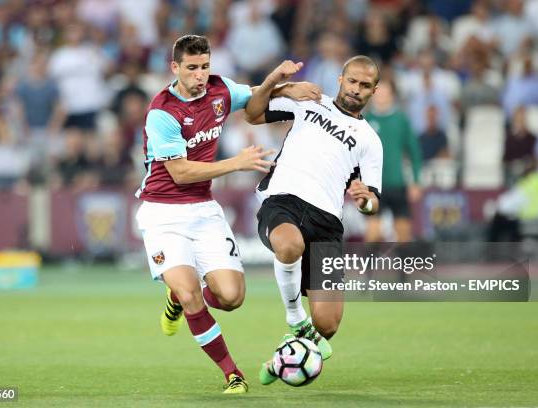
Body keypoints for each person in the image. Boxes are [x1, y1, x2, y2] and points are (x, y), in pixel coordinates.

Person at [134, 34, 320, 394]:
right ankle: (232, 373)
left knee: (232, 298)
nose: (200, 75)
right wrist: (236, 163)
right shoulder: (162, 112)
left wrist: (283, 86)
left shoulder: (219, 90)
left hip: (204, 212)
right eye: (192, 68)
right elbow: (181, 172)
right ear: (175, 68)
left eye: (204, 66)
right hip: (162, 213)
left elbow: (251, 94)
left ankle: (178, 297)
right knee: (192, 294)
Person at [243, 55, 383, 384]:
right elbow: (251, 113)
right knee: (289, 245)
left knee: (328, 324)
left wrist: (365, 202)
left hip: (327, 223)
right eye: (352, 81)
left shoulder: (370, 141)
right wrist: (282, 84)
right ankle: (295, 320)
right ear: (340, 79)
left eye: (365, 86)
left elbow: (373, 200)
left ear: (373, 91)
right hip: (283, 201)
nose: (356, 90)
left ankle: (280, 362)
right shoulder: (308, 101)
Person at [364, 80, 422, 242]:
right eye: (378, 92)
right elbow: (354, 154)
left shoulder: (401, 119)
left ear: (392, 95)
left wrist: (416, 181)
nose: (381, 96)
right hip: (373, 186)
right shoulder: (365, 120)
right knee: (373, 234)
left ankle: (403, 267)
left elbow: (414, 153)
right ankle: (368, 268)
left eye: (385, 92)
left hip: (398, 183)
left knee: (403, 234)